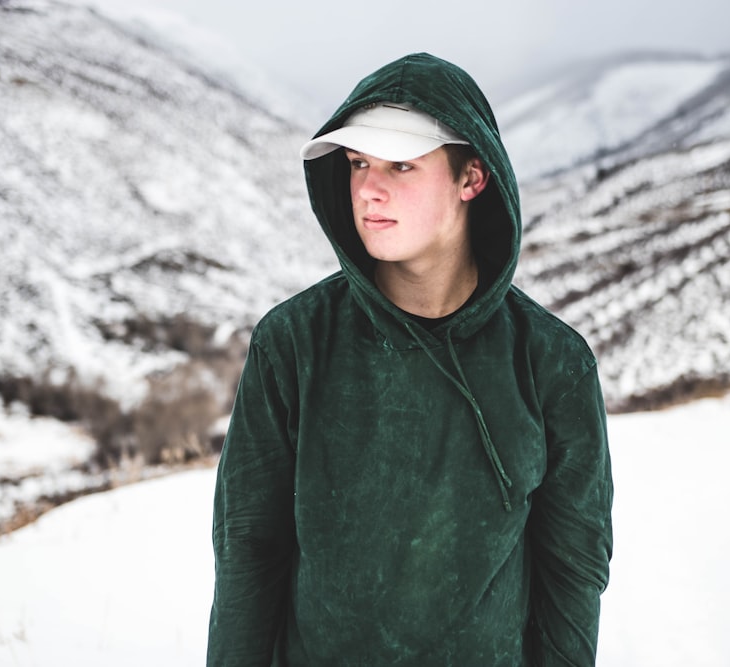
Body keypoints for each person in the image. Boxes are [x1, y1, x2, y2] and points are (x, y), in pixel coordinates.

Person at [207, 52, 613, 666]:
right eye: (359, 163)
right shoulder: (293, 343)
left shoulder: (551, 363)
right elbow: (249, 549)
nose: (369, 189)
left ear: (471, 178)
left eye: (401, 164)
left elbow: (573, 569)